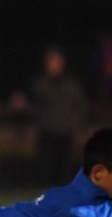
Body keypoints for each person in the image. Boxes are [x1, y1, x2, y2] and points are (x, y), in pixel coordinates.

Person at [31, 45, 87, 185]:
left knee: (64, 172)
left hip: (66, 132)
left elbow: (79, 105)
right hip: (47, 132)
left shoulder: (70, 83)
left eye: (57, 61)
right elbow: (35, 99)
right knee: (46, 171)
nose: (54, 65)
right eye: (51, 62)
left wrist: (77, 125)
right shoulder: (41, 83)